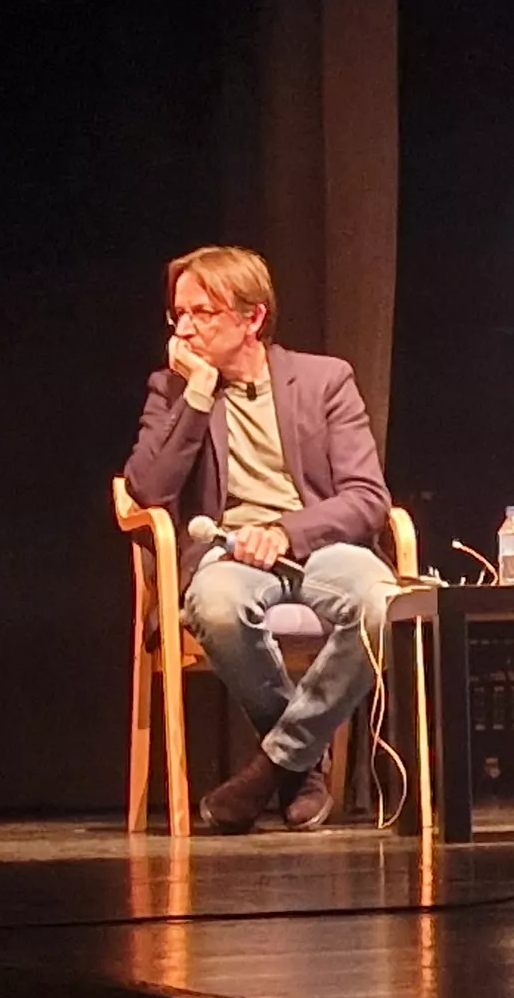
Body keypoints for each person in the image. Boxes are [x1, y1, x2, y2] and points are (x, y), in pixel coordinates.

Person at [119, 247, 396, 833]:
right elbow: (146, 490)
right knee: (216, 606)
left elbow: (368, 497)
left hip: (317, 543)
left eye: (203, 313)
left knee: (382, 603)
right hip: (226, 552)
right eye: (179, 314)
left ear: (252, 319)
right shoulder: (171, 388)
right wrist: (196, 396)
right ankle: (302, 766)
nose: (185, 327)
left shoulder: (324, 380)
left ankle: (276, 765)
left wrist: (284, 531)